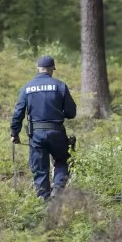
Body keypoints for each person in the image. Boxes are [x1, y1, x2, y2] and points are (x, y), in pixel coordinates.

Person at [10, 56, 77, 199]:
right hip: (57, 133)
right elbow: (72, 113)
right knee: (62, 160)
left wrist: (14, 133)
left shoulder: (27, 88)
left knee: (40, 169)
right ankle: (58, 190)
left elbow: (18, 112)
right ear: (53, 68)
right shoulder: (60, 86)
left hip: (36, 135)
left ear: (38, 68)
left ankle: (44, 203)